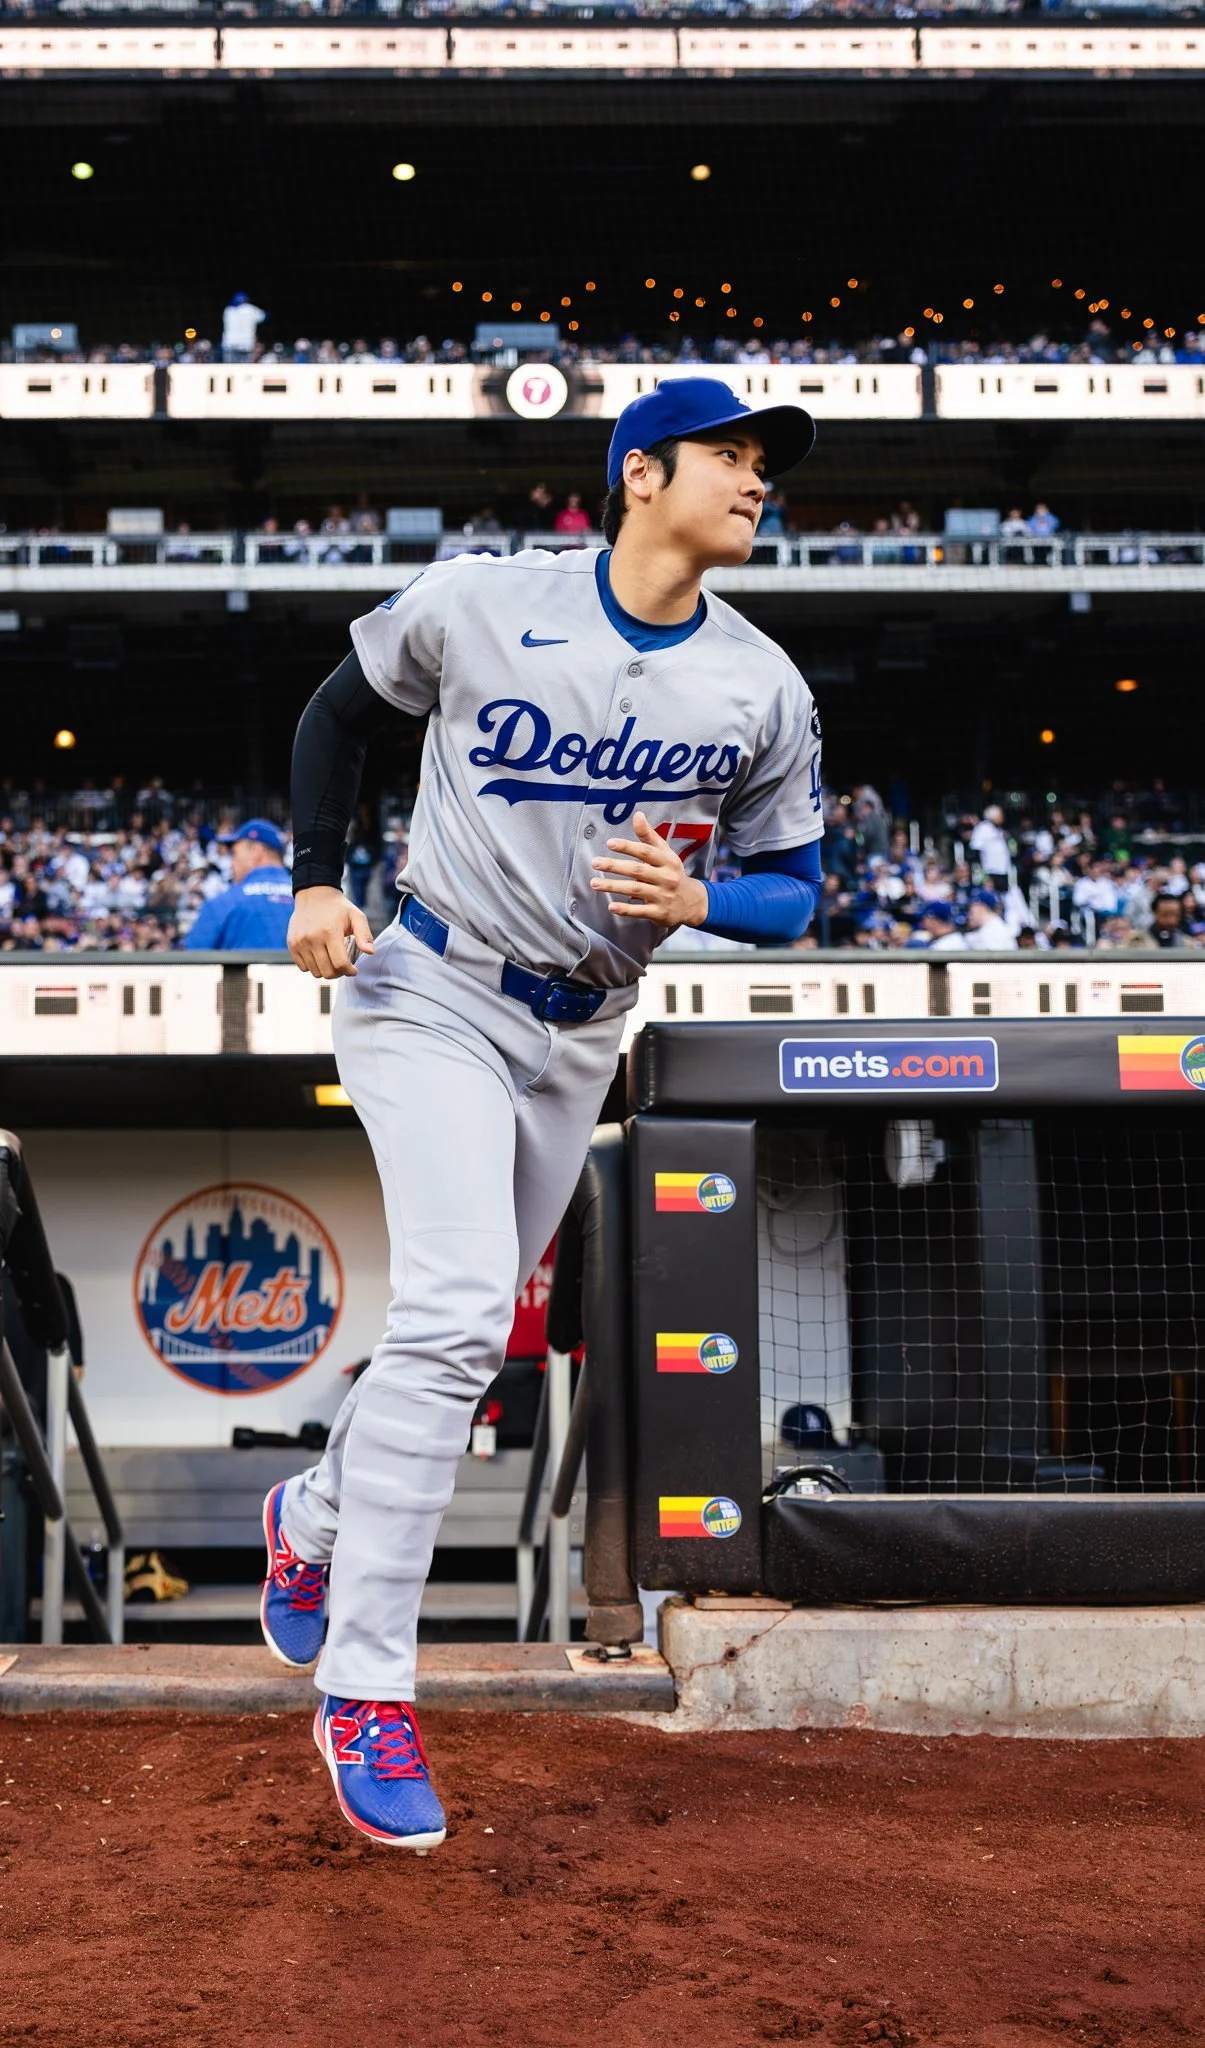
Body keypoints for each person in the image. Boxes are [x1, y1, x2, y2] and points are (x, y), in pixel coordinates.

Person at [266, 378, 821, 1851]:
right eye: (732, 457)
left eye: (766, 463)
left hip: (583, 1034)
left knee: (462, 1332)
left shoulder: (760, 682)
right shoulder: (487, 599)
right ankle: (367, 1690)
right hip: (432, 988)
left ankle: (312, 1522)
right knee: (455, 1316)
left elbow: (798, 888)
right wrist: (316, 878)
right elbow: (339, 715)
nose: (757, 481)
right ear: (641, 474)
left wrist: (707, 900)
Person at [182, 819, 291, 949]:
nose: (232, 862)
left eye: (234, 853)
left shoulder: (224, 903)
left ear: (257, 851)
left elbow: (192, 956)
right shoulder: (306, 899)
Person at [221, 293, 266, 362]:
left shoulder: (228, 310)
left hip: (230, 344)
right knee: (244, 370)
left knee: (229, 370)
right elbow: (264, 317)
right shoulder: (251, 309)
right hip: (246, 344)